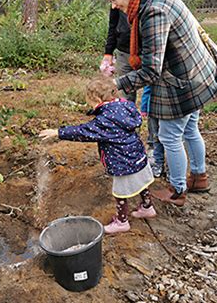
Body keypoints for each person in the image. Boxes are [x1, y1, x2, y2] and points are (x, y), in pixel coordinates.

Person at [101, 0, 217, 206]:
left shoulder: (152, 11)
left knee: (169, 136)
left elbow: (151, 71)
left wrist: (116, 85)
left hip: (182, 80)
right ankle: (199, 177)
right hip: (196, 73)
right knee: (189, 129)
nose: (114, 5)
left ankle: (178, 190)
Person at [101, 0, 176, 178]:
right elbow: (114, 20)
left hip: (154, 54)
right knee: (124, 103)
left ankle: (156, 155)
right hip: (125, 51)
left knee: (154, 107)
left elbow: (168, 19)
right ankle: (125, 148)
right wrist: (108, 53)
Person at [39, 76, 156, 235]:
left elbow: (83, 132)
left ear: (96, 98)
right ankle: (147, 207)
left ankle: (122, 222)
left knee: (120, 193)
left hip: (123, 162)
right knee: (142, 183)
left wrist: (58, 132)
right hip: (138, 156)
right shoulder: (125, 106)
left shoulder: (105, 120)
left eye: (90, 102)